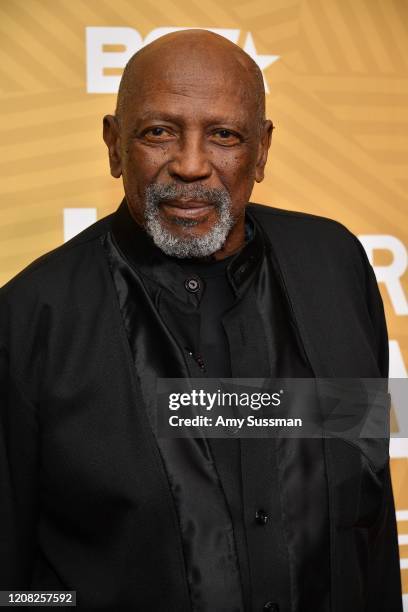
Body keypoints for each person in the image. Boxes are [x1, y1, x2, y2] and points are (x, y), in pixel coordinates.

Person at [0, 29, 402, 612]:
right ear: (114, 145)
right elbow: (13, 587)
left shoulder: (334, 267)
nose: (190, 166)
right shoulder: (30, 318)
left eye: (224, 135)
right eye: (158, 132)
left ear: (261, 150)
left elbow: (369, 510)